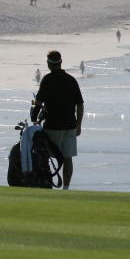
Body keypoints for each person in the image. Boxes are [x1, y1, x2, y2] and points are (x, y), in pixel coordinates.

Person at [33, 50, 84, 190]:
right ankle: (66, 188)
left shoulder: (47, 80)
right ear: (61, 62)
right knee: (67, 158)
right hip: (70, 126)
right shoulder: (71, 80)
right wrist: (79, 124)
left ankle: (46, 183)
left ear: (48, 64)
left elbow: (37, 102)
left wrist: (34, 118)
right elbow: (80, 104)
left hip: (52, 126)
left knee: (45, 155)